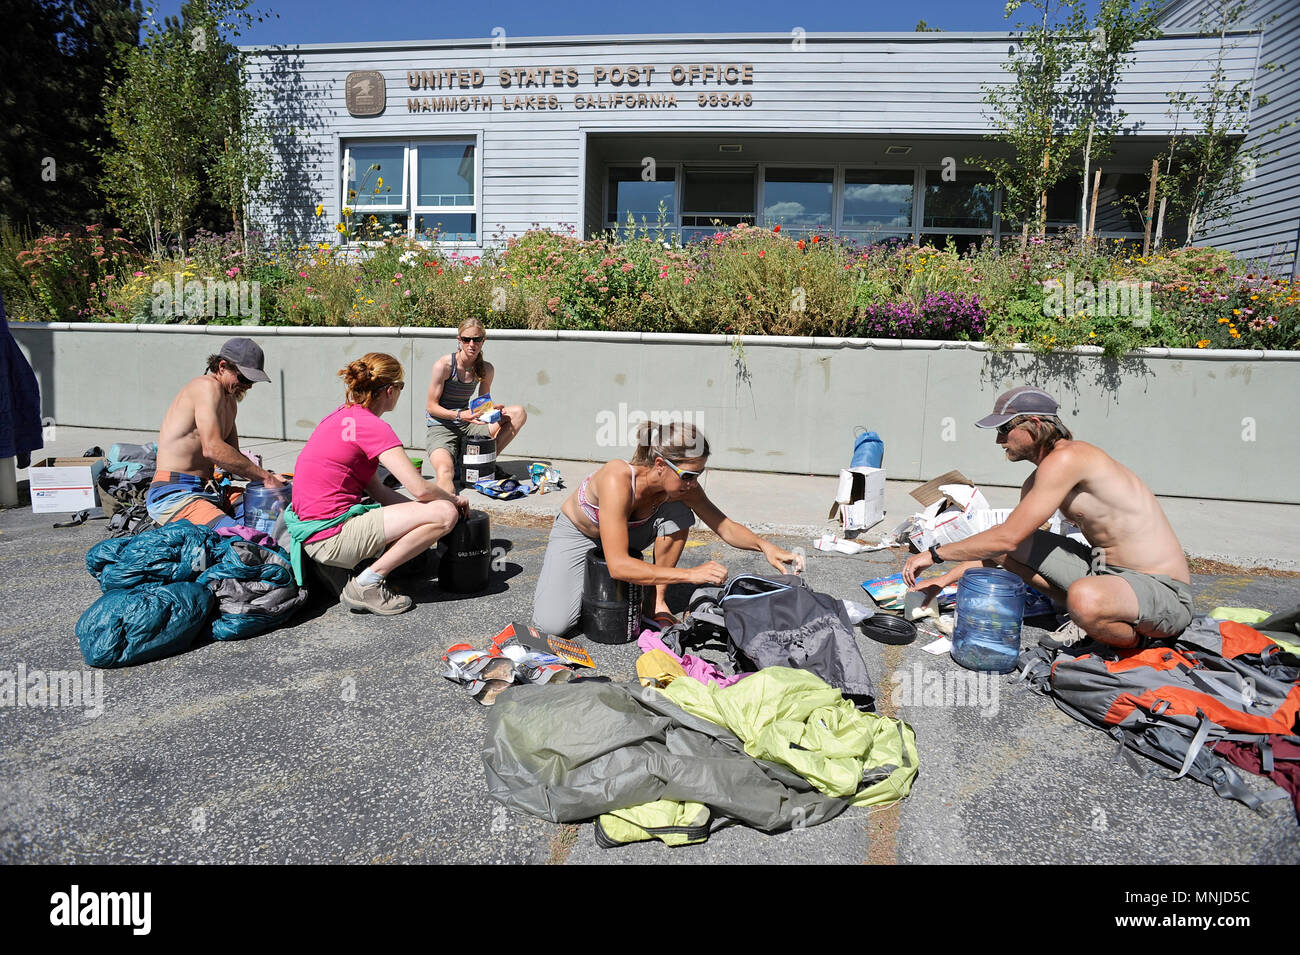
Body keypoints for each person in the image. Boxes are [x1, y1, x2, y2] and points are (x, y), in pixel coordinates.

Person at [902, 386, 1193, 649]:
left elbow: (1005, 537)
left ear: (1036, 425)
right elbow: (1004, 542)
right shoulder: (1038, 478)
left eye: (1004, 429)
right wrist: (943, 580)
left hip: (1161, 589)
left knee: (1084, 598)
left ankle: (1137, 642)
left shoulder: (1069, 457)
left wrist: (933, 554)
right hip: (1103, 571)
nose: (999, 440)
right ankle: (1092, 614)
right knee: (1016, 548)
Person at [531, 419, 804, 637]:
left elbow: (724, 526)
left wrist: (765, 547)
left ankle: (655, 600)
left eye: (699, 474)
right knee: (552, 625)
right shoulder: (618, 478)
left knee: (677, 509)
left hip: (626, 538)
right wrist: (690, 575)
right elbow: (618, 566)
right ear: (661, 465)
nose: (693, 483)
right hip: (581, 535)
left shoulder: (682, 488)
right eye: (688, 475)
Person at [287, 353, 469, 615]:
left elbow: (378, 491)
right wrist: (452, 500)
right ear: (390, 390)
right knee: (445, 513)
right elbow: (419, 488)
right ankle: (366, 584)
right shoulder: (373, 426)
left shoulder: (341, 417)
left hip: (312, 534)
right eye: (401, 387)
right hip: (331, 536)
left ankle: (336, 567)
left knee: (429, 515)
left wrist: (418, 516)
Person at [147, 337, 284, 530]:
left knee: (270, 518)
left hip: (207, 489)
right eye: (244, 378)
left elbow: (232, 457)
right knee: (240, 539)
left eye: (252, 380)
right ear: (222, 367)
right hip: (174, 494)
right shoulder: (207, 386)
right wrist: (266, 479)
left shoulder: (230, 401)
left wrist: (272, 478)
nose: (249, 386)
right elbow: (213, 450)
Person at [425, 318, 527, 494]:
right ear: (459, 340)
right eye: (466, 339)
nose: (471, 344)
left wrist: (492, 411)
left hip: (469, 423)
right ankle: (450, 510)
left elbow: (482, 406)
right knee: (445, 473)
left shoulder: (486, 369)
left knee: (518, 413)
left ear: (483, 341)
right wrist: (459, 415)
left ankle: (483, 463)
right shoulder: (445, 365)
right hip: (442, 426)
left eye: (476, 339)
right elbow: (431, 407)